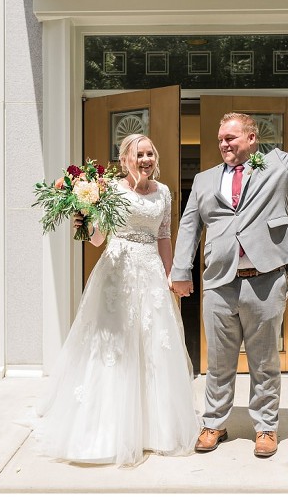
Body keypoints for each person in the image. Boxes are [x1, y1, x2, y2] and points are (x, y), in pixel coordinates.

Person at [170, 58, 288, 458]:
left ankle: (266, 427)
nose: (224, 144)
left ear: (252, 138)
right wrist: (181, 271)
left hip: (265, 278)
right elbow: (189, 226)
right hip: (219, 282)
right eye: (220, 139)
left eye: (232, 138)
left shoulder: (280, 166)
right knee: (219, 362)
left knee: (265, 361)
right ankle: (214, 424)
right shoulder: (203, 180)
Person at [27, 133, 200, 467]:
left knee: (152, 345)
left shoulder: (163, 192)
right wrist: (85, 222)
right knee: (113, 347)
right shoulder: (111, 190)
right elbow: (98, 241)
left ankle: (154, 429)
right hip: (117, 271)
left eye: (151, 153)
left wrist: (170, 275)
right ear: (126, 159)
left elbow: (164, 236)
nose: (146, 159)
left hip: (150, 272)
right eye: (140, 154)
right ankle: (106, 428)